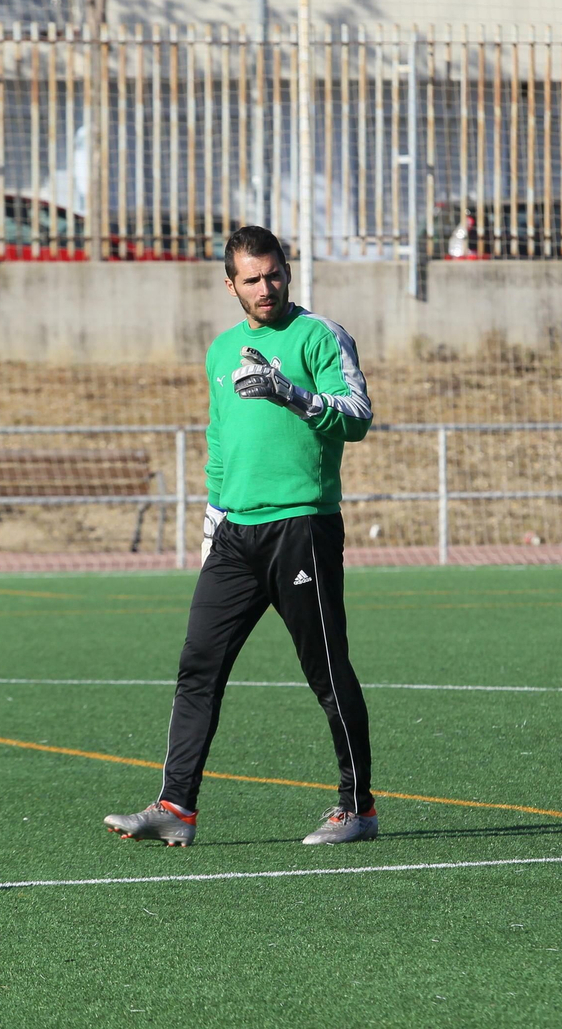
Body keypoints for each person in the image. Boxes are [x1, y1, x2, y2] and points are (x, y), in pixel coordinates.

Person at [104, 226, 378, 847]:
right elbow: (220, 440)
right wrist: (212, 517)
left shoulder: (320, 335)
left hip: (302, 527)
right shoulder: (222, 350)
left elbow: (358, 417)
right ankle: (176, 805)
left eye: (274, 273)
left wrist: (291, 393)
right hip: (236, 534)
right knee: (198, 663)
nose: (265, 287)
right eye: (251, 279)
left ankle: (357, 809)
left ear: (288, 271)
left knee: (326, 670)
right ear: (230, 284)